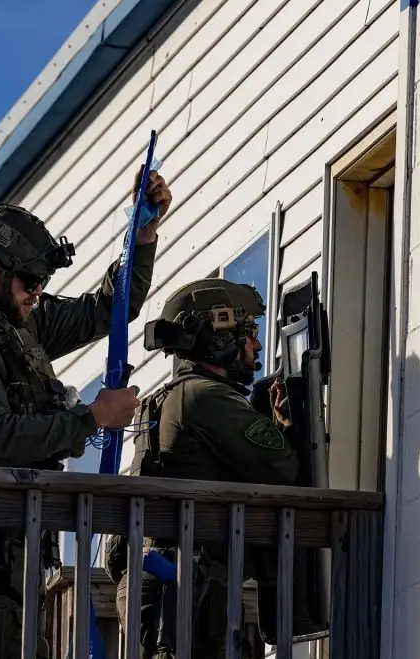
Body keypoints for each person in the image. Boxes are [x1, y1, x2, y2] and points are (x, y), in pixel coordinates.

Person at [0, 167, 173, 658]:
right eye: (30, 281)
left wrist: (142, 233)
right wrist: (91, 418)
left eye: (42, 282)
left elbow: (107, 309)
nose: (37, 292)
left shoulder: (16, 322)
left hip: (9, 557)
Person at [105, 277, 298, 659]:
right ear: (219, 338)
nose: (256, 345)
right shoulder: (206, 397)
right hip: (185, 590)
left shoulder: (169, 398)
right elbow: (284, 469)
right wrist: (286, 425)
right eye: (248, 333)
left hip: (166, 583)